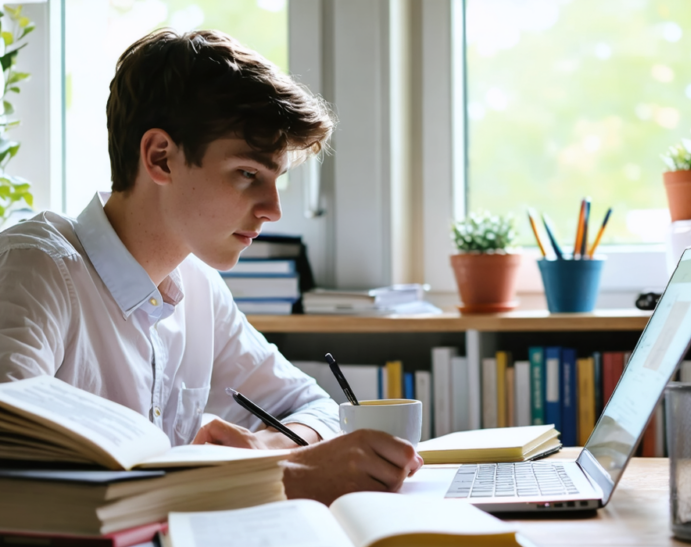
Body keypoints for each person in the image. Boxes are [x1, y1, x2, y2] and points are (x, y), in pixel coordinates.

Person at [0, 29, 422, 505]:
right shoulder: (33, 271)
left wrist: (267, 445)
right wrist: (286, 478)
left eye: (276, 179)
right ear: (161, 158)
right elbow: (17, 480)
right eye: (248, 174)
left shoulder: (198, 287)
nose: (272, 209)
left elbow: (313, 405)